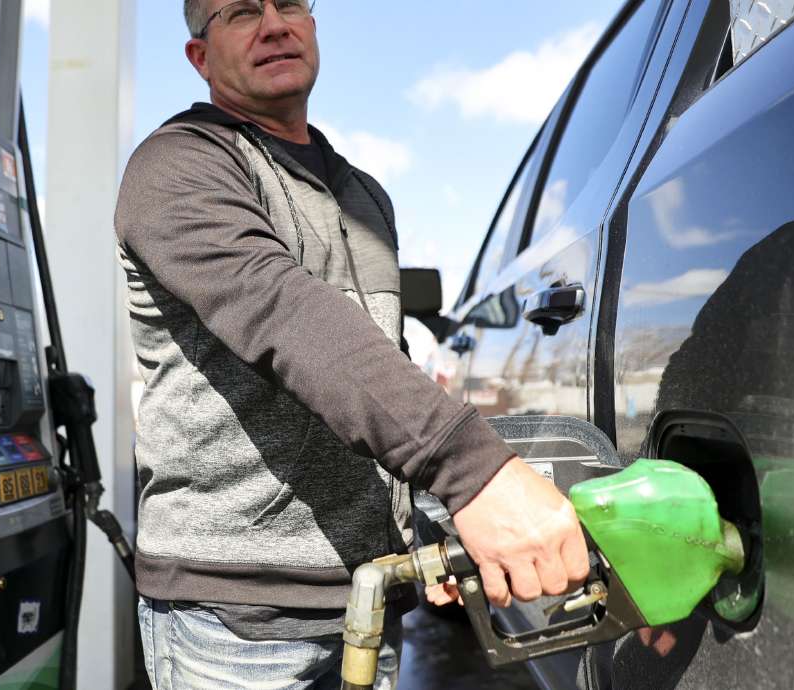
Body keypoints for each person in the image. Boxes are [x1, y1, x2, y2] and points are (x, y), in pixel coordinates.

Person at [114, 1, 590, 687]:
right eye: (243, 11)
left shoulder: (364, 197)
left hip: (372, 595)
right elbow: (286, 315)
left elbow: (376, 374)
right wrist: (475, 472)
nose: (275, 24)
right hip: (239, 621)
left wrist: (437, 524)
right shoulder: (177, 165)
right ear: (200, 56)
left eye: (291, 5)